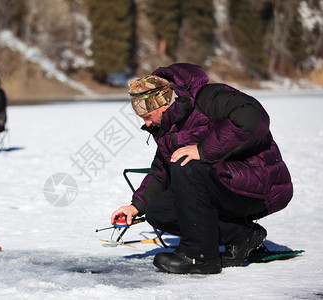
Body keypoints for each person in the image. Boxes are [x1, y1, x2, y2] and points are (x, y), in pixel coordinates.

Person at [111, 63, 293, 274]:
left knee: (187, 163)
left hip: (261, 186)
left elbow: (254, 118)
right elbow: (161, 169)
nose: (146, 123)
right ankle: (242, 236)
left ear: (162, 104)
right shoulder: (166, 127)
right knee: (158, 211)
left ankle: (199, 256)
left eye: (147, 116)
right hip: (222, 184)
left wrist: (204, 150)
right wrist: (135, 207)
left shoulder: (209, 97)